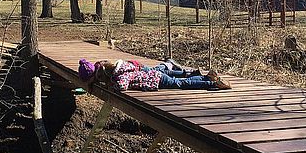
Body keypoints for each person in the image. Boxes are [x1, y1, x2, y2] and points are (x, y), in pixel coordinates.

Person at [79, 58, 231, 91]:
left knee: (180, 84)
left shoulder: (120, 75)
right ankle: (206, 77)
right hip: (154, 75)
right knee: (177, 79)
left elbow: (121, 86)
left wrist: (111, 87)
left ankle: (213, 83)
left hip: (155, 80)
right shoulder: (120, 66)